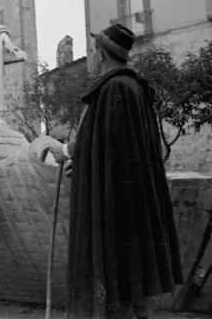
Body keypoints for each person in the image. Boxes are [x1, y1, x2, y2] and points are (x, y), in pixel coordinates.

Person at [50, 23, 183, 318]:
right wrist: (84, 163)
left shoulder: (115, 88)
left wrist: (66, 152)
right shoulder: (131, 86)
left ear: (101, 53)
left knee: (118, 268)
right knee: (131, 270)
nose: (91, 58)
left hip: (116, 200)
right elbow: (115, 147)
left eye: (93, 51)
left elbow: (99, 142)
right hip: (130, 193)